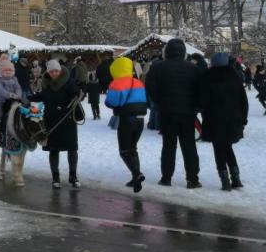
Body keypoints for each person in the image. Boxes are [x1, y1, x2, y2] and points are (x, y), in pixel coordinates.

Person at [145, 38, 201, 188]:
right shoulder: (193, 68)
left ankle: (166, 177)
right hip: (188, 113)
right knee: (189, 146)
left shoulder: (158, 67)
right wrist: (195, 106)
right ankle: (193, 179)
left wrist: (159, 102)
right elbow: (200, 90)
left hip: (167, 112)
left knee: (168, 146)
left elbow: (150, 86)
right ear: (183, 52)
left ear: (167, 51)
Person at [201, 53, 249, 191]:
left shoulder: (207, 77)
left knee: (218, 149)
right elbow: (243, 101)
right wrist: (243, 119)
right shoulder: (235, 77)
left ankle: (225, 181)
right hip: (233, 119)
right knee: (228, 148)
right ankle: (236, 179)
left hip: (214, 119)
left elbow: (202, 101)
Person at [33, 59, 82, 189]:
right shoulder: (45, 82)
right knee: (53, 149)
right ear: (48, 72)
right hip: (51, 120)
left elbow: (78, 94)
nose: (54, 73)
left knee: (72, 149)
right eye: (51, 71)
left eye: (56, 71)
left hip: (67, 120)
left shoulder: (68, 81)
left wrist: (79, 94)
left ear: (60, 70)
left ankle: (73, 176)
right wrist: (28, 98)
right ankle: (55, 177)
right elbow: (42, 96)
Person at [105, 57, 148, 193]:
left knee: (124, 151)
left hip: (127, 120)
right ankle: (135, 179)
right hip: (140, 119)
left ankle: (137, 174)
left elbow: (111, 102)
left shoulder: (116, 83)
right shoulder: (138, 82)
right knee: (133, 149)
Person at [0, 60, 29, 185]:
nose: (8, 72)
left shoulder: (15, 79)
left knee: (24, 109)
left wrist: (18, 95)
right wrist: (9, 95)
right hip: (2, 101)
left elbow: (18, 88)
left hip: (14, 101)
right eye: (6, 70)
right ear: (1, 71)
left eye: (10, 70)